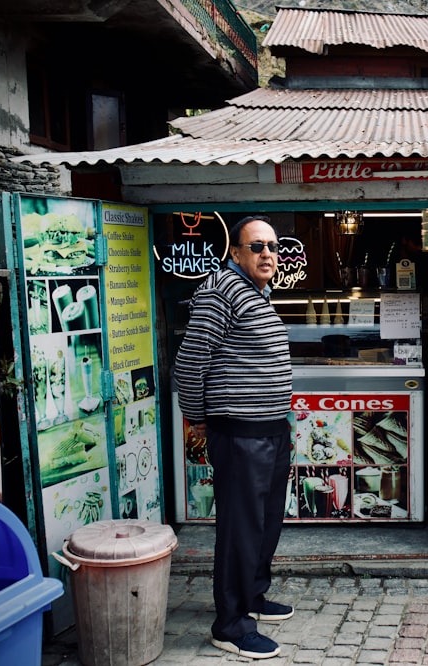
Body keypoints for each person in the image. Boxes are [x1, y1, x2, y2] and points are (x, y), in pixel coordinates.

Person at [175, 215, 294, 659]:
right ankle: (229, 624)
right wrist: (199, 420)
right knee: (241, 529)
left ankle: (253, 598)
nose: (268, 254)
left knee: (264, 524)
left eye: (273, 247)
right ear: (236, 253)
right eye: (257, 246)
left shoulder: (255, 293)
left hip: (269, 429)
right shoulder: (220, 291)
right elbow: (189, 364)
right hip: (240, 433)